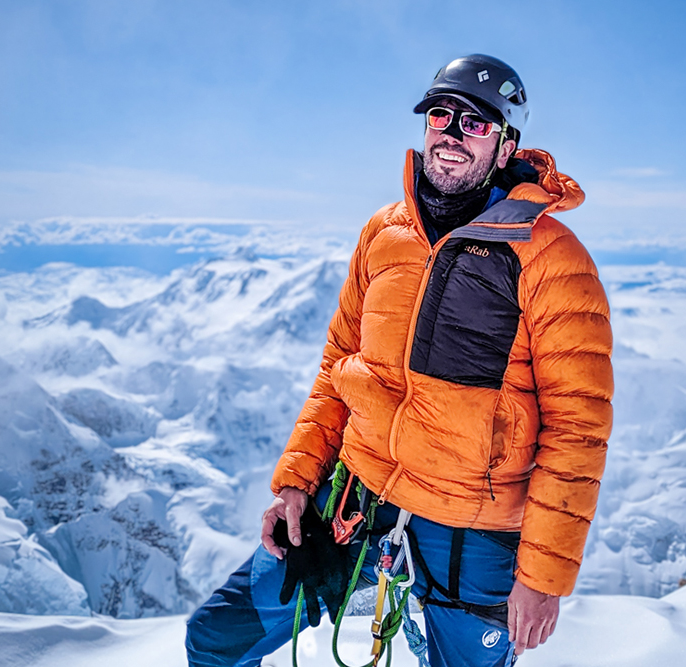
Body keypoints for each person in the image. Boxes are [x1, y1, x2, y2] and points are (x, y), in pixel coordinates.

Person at [186, 54, 614, 667]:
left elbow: (579, 426)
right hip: (357, 500)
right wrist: (297, 483)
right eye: (441, 115)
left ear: (506, 144)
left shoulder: (552, 259)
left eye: (475, 123)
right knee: (216, 638)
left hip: (474, 530)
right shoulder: (384, 233)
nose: (451, 133)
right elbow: (340, 362)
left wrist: (544, 575)